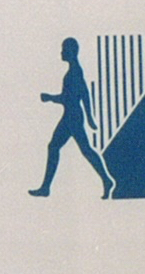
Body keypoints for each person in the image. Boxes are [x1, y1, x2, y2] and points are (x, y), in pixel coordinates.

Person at [31, 36, 116, 200]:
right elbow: (85, 93)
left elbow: (70, 97)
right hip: (71, 116)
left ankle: (106, 180)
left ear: (71, 51)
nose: (61, 52)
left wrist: (49, 98)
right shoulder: (75, 70)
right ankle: (46, 187)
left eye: (64, 49)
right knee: (58, 147)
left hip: (73, 117)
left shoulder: (74, 72)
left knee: (80, 150)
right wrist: (90, 117)